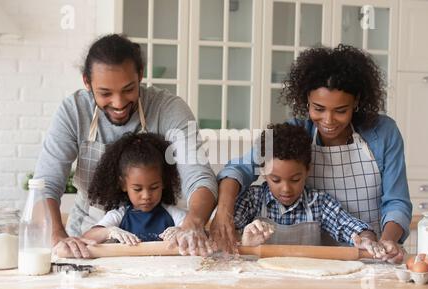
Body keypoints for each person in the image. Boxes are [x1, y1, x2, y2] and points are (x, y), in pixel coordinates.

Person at [212, 44, 411, 264]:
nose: (328, 120)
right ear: (306, 99)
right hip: (317, 260)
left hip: (371, 254)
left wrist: (386, 242)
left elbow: (397, 202)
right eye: (318, 108)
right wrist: (223, 213)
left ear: (356, 102)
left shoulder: (382, 132)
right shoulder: (296, 134)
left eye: (340, 111)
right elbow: (237, 169)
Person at [34, 34, 217, 258]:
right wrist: (57, 237)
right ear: (87, 82)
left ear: (140, 75)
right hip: (88, 241)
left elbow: (198, 176)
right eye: (105, 93)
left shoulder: (169, 109)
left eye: (129, 89)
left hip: (159, 244)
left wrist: (192, 224)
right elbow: (46, 184)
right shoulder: (74, 111)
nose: (119, 103)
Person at [237, 123, 386, 259]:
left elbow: (349, 226)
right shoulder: (252, 200)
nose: (286, 189)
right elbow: (225, 237)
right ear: (263, 171)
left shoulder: (318, 203)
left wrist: (366, 239)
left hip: (309, 285)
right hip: (262, 284)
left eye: (295, 179)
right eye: (276, 180)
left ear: (308, 170)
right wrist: (244, 244)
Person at [82, 132, 186, 245]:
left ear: (164, 183)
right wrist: (109, 231)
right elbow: (88, 237)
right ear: (123, 185)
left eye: (154, 187)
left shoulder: (174, 215)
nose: (146, 196)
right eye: (137, 189)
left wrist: (182, 230)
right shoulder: (118, 215)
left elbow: (197, 231)